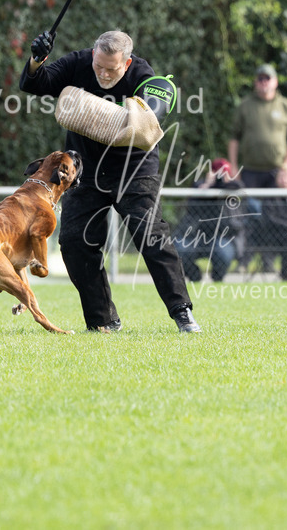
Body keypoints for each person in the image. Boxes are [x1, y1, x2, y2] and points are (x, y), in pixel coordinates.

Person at [19, 29, 200, 332]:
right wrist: (37, 59)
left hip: (133, 170)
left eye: (111, 69)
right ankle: (103, 321)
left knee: (150, 236)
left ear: (126, 64)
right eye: (98, 65)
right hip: (85, 171)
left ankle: (182, 312)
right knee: (75, 242)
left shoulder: (143, 74)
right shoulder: (79, 63)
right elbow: (35, 84)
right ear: (93, 55)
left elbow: (149, 121)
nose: (102, 73)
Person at [228, 63, 287, 271]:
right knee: (249, 217)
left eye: (267, 78)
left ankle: (269, 262)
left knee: (273, 219)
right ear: (255, 82)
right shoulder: (245, 105)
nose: (263, 82)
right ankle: (245, 259)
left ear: (275, 82)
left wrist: (286, 165)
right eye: (260, 78)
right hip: (250, 171)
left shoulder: (285, 105)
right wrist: (233, 166)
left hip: (276, 173)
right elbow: (234, 137)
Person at [174, 158, 248, 284]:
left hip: (223, 236)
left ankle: (218, 278)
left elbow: (239, 186)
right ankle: (194, 276)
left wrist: (220, 185)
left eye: (224, 173)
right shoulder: (200, 186)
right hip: (196, 235)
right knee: (179, 248)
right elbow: (191, 204)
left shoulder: (231, 187)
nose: (220, 176)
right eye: (218, 172)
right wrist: (208, 185)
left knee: (223, 252)